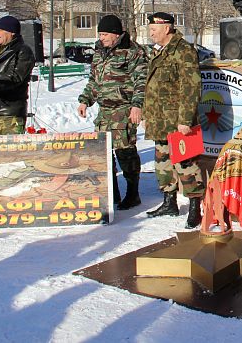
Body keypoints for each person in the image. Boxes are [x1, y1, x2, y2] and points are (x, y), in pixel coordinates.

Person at [78, 15, 147, 210]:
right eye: (100, 34)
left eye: (105, 34)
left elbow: (141, 81)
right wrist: (85, 100)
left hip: (123, 109)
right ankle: (112, 193)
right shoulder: (99, 52)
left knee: (125, 153)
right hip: (104, 112)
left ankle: (132, 194)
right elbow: (94, 80)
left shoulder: (132, 51)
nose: (102, 38)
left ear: (116, 34)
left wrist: (137, 105)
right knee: (103, 153)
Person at [142, 12, 204, 228]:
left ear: (166, 28)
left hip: (177, 120)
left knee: (186, 163)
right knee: (163, 163)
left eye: (154, 29)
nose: (151, 33)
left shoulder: (184, 51)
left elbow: (191, 87)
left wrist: (185, 119)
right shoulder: (158, 51)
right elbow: (151, 87)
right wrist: (147, 115)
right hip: (159, 119)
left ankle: (195, 207)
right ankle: (169, 203)